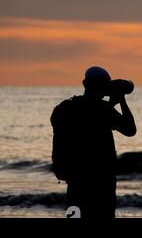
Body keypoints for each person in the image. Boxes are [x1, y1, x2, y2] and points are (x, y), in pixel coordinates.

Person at [50, 66, 136, 218]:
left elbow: (84, 125)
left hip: (75, 179)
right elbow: (130, 130)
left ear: (84, 83)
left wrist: (109, 106)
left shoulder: (64, 108)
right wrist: (121, 100)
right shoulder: (103, 109)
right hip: (101, 182)